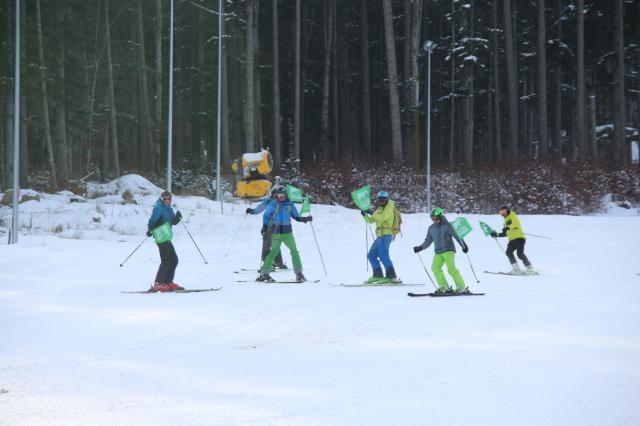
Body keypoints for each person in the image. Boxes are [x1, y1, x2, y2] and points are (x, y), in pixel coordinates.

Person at [257, 187, 312, 282]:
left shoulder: (289, 204)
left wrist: (305, 219)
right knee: (273, 252)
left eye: (282, 195)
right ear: (277, 195)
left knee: (294, 251)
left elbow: (296, 216)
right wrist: (264, 226)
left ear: (285, 195)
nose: (281, 196)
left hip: (288, 234)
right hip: (277, 233)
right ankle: (264, 274)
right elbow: (266, 215)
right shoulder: (273, 204)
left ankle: (299, 274)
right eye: (279, 195)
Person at [413, 207, 469, 294]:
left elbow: (457, 236)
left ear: (440, 217)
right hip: (438, 252)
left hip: (448, 250)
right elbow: (428, 241)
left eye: (436, 219)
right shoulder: (431, 228)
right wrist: (420, 247)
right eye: (432, 219)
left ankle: (461, 287)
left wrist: (463, 245)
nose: (434, 221)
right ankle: (444, 286)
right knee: (435, 268)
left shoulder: (448, 226)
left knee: (451, 269)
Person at [147, 190, 183, 292]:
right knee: (166, 260)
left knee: (174, 260)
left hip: (166, 235)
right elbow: (152, 220)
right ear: (162, 199)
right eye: (165, 199)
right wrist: (150, 229)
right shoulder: (158, 208)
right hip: (160, 235)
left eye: (168, 199)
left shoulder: (169, 209)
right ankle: (158, 283)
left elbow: (172, 221)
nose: (167, 200)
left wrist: (178, 218)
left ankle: (167, 282)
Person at [246, 185, 287, 270]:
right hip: (269, 225)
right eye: (275, 194)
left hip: (278, 226)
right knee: (269, 244)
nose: (277, 196)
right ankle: (272, 262)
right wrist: (252, 211)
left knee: (272, 244)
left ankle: (276, 263)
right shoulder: (269, 201)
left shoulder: (283, 202)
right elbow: (260, 208)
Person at [361, 191, 398, 283]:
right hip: (379, 237)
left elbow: (381, 218)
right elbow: (371, 221)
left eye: (383, 200)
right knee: (371, 255)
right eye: (380, 200)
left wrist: (370, 211)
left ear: (387, 199)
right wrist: (364, 215)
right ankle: (378, 275)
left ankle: (391, 276)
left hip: (386, 235)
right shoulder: (379, 210)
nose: (381, 201)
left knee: (383, 255)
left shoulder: (389, 208)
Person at [490, 205, 535, 275]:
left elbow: (515, 224)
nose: (502, 213)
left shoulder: (513, 216)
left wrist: (508, 228)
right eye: (500, 212)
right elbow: (505, 233)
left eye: (504, 211)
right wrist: (497, 235)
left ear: (507, 210)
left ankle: (530, 269)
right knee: (508, 252)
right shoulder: (505, 221)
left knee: (520, 254)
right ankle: (516, 269)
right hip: (512, 240)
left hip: (519, 238)